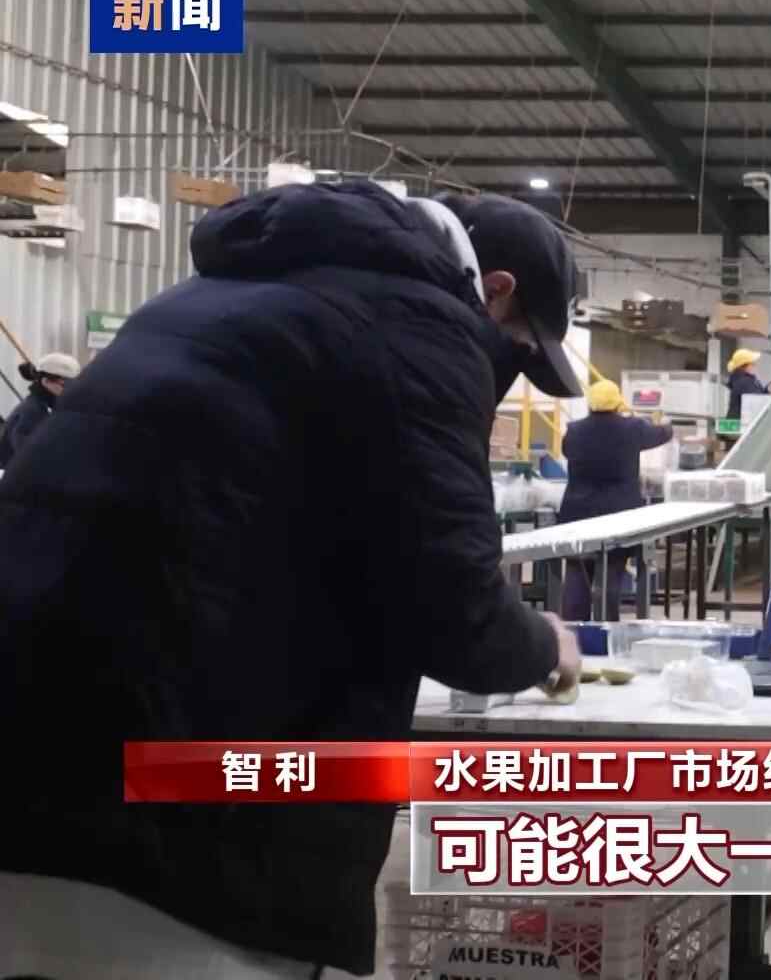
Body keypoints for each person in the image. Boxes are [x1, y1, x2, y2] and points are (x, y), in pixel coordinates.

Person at [0, 182, 585, 979]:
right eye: (519, 347)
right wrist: (544, 645)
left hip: (34, 755)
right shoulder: (419, 324)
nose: (508, 368)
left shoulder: (217, 295)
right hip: (181, 831)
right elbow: (454, 610)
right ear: (497, 290)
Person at [559, 379, 677, 623]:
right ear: (617, 403)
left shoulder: (575, 431)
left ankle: (573, 629)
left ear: (590, 404)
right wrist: (665, 423)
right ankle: (606, 630)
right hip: (618, 515)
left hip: (577, 515)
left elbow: (567, 450)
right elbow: (663, 434)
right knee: (610, 576)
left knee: (577, 573)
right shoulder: (632, 428)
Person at [0, 351, 78, 470]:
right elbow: (29, 456)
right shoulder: (31, 412)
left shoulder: (47, 406)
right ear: (46, 382)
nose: (71, 390)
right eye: (66, 384)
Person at [724, 347, 767, 419]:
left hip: (734, 423)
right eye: (752, 363)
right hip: (743, 424)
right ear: (745, 366)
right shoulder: (745, 382)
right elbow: (758, 401)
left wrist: (767, 389)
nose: (755, 365)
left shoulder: (738, 379)